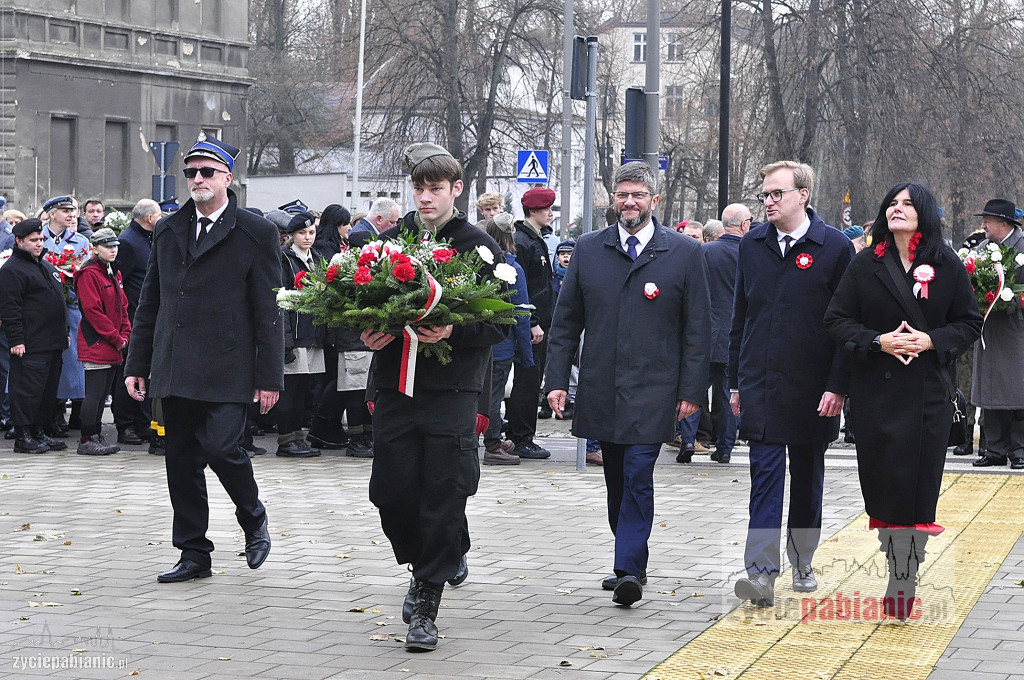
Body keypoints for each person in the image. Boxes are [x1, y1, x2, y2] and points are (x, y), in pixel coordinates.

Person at [358, 143, 506, 651]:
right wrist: (367, 333)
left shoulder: (477, 245)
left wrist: (454, 333)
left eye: (435, 189)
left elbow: (497, 322)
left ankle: (427, 596)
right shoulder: (390, 242)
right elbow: (358, 303)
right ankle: (429, 559)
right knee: (392, 491)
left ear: (456, 190)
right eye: (418, 189)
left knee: (444, 490)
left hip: (452, 389)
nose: (424, 198)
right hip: (397, 386)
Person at [546, 161, 712, 607]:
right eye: (622, 194)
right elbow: (566, 323)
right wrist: (557, 380)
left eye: (638, 194)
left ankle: (629, 569)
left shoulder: (683, 252)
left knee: (639, 473)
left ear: (655, 200)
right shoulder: (588, 249)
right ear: (613, 199)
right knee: (616, 478)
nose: (630, 202)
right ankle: (629, 554)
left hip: (655, 387)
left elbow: (698, 328)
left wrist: (692, 391)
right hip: (602, 384)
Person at [124, 131, 284, 583]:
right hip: (174, 365)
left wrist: (270, 377)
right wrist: (138, 365)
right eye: (190, 171)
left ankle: (253, 516)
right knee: (181, 461)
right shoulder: (169, 229)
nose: (197, 178)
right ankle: (194, 553)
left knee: (221, 447)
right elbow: (149, 302)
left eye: (206, 172)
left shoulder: (256, 232)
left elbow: (269, 310)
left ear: (226, 178)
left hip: (229, 365)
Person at [824, 181, 982, 619]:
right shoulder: (865, 264)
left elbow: (968, 323)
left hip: (927, 394)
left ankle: (903, 575)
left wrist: (931, 340)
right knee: (882, 485)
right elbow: (836, 319)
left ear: (925, 213)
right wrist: (878, 342)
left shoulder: (947, 263)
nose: (897, 209)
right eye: (892, 203)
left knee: (917, 486)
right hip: (876, 393)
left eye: (908, 204)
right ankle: (896, 554)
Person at [730, 160, 854, 608]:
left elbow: (846, 326)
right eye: (764, 194)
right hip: (761, 383)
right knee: (764, 477)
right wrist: (735, 382)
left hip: (813, 387)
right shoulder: (752, 245)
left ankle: (803, 556)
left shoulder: (835, 247)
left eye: (777, 193)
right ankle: (761, 573)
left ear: (803, 195)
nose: (768, 201)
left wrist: (838, 386)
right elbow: (741, 318)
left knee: (807, 478)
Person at [0, 218, 69, 453]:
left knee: (47, 392)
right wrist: (16, 340)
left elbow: (58, 302)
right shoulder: (12, 270)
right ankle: (24, 436)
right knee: (27, 392)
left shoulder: (45, 265)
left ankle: (39, 432)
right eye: (33, 240)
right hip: (30, 343)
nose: (39, 243)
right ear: (19, 241)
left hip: (52, 342)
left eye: (41, 239)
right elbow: (10, 309)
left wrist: (65, 333)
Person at [969, 198, 1024, 470]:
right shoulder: (982, 248)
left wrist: (1012, 299)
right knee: (990, 392)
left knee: (1017, 392)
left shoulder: (1023, 247)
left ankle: (1019, 449)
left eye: (987, 221)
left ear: (1004, 224)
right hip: (989, 331)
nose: (983, 225)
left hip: (1016, 330)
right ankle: (994, 449)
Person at [506, 187, 556, 460]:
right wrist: (533, 321)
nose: (550, 213)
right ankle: (521, 437)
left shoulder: (533, 239)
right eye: (547, 209)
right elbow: (521, 286)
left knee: (531, 380)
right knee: (527, 381)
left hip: (539, 323)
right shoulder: (524, 241)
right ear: (533, 211)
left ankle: (521, 434)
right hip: (532, 325)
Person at [72, 228, 131, 456]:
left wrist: (125, 333)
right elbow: (93, 311)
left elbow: (122, 306)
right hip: (97, 342)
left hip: (113, 343)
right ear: (95, 249)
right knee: (94, 394)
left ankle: (96, 435)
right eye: (107, 246)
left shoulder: (112, 272)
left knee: (103, 392)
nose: (113, 250)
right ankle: (87, 438)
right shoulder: (89, 273)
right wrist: (117, 338)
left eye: (115, 245)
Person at [480, 212, 531, 465]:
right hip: (502, 345)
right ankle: (492, 445)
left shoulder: (480, 263)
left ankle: (490, 437)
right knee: (494, 396)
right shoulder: (512, 268)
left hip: (480, 341)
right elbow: (520, 314)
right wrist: (526, 354)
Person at [702, 203, 751, 464]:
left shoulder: (706, 251)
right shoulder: (751, 252)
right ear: (743, 225)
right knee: (728, 394)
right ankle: (724, 448)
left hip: (708, 332)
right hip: (736, 336)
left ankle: (688, 439)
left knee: (694, 390)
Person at [112, 199, 161, 450]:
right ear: (150, 218)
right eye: (159, 214)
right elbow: (122, 282)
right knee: (130, 370)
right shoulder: (129, 242)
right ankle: (125, 424)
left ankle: (142, 421)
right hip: (132, 318)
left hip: (146, 316)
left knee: (145, 372)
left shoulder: (148, 238)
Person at [276, 211, 325, 458]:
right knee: (290, 389)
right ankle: (286, 439)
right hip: (293, 333)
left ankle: (298, 437)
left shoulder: (316, 259)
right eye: (302, 233)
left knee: (304, 389)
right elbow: (280, 300)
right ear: (291, 235)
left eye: (311, 233)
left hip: (311, 332)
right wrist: (285, 340)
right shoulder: (285, 259)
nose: (307, 237)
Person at [41, 195, 90, 437]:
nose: (71, 215)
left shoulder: (80, 241)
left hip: (72, 308)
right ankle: (50, 410)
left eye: (73, 211)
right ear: (51, 214)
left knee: (72, 362)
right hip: (42, 310)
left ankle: (66, 408)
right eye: (64, 210)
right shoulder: (38, 238)